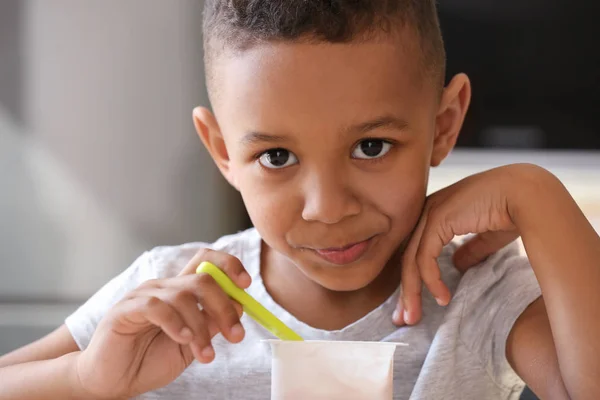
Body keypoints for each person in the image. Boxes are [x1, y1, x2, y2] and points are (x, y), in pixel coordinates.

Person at [1, 1, 599, 399]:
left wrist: (536, 195)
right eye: (277, 157)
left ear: (444, 124)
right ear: (222, 151)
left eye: (371, 145)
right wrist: (84, 378)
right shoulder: (171, 294)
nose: (327, 208)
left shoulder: (484, 297)